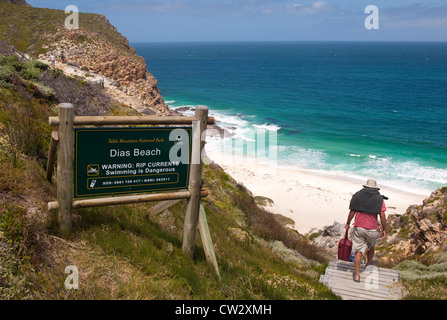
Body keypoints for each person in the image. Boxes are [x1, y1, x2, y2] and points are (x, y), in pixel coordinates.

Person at [345, 179, 387, 282]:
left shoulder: (358, 195)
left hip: (359, 227)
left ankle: (357, 275)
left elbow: (352, 211)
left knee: (358, 251)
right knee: (371, 247)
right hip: (373, 229)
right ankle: (368, 265)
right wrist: (384, 229)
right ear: (375, 188)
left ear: (365, 187)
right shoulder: (379, 198)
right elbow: (382, 215)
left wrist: (348, 223)